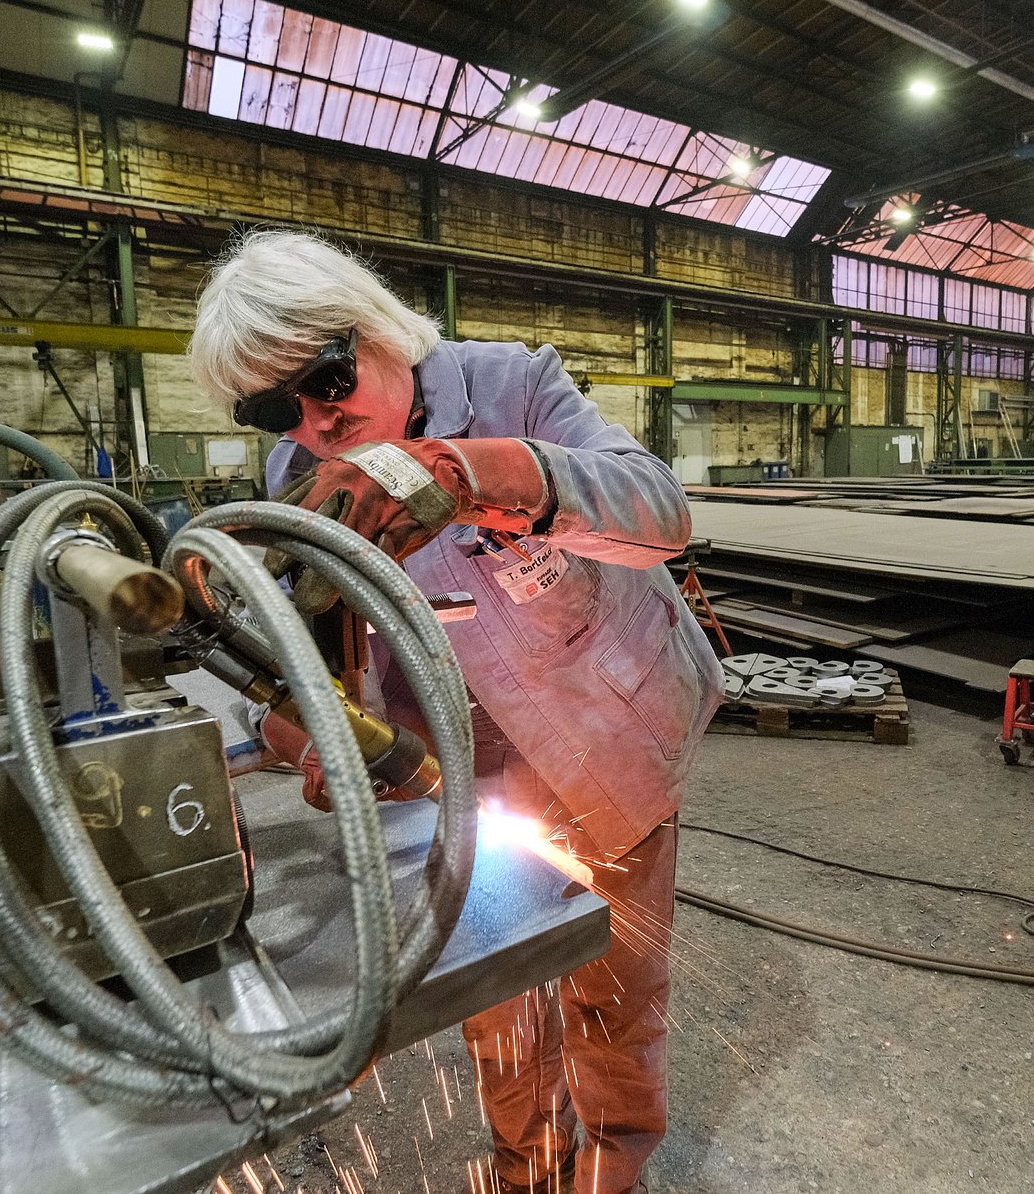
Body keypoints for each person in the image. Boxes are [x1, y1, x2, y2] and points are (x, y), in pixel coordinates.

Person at [189, 229, 721, 1194]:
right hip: (459, 776)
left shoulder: (515, 384)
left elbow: (659, 513)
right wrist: (326, 723)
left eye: (329, 380)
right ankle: (528, 1168)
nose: (313, 423)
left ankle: (614, 1172)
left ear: (377, 332)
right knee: (499, 1003)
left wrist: (474, 474)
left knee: (615, 993)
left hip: (606, 744)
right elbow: (330, 640)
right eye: (278, 409)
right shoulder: (297, 476)